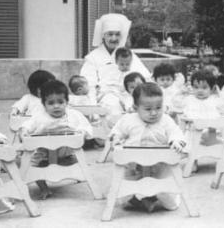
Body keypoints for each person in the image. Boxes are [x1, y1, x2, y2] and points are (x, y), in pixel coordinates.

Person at [109, 82, 186, 212]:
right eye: (148, 109)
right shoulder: (128, 120)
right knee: (124, 195)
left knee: (169, 200)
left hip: (160, 163)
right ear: (135, 107)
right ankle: (139, 199)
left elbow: (175, 131)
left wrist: (176, 141)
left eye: (158, 107)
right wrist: (116, 138)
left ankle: (158, 197)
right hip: (134, 163)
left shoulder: (166, 121)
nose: (154, 113)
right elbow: (118, 131)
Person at [20, 80, 93, 199]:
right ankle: (44, 189)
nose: (56, 106)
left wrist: (82, 132)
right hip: (44, 155)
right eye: (51, 103)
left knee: (82, 164)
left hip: (67, 154)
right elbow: (28, 124)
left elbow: (86, 126)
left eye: (60, 102)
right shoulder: (39, 116)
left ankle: (80, 176)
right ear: (44, 104)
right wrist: (24, 131)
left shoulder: (74, 115)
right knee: (31, 167)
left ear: (67, 102)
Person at [80, 13, 150, 97]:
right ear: (103, 36)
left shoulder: (128, 55)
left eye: (117, 34)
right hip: (105, 96)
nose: (114, 38)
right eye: (110, 34)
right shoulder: (93, 57)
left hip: (128, 95)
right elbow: (87, 83)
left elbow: (144, 77)